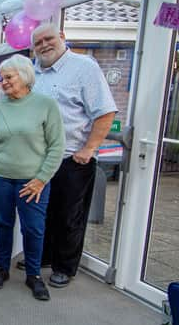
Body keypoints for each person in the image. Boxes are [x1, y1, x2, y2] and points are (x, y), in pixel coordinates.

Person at [20, 23, 118, 289]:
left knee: (68, 217)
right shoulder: (32, 72)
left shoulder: (84, 67)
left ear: (62, 37)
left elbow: (105, 112)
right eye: (38, 42)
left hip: (71, 159)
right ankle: (44, 257)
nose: (44, 45)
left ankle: (65, 267)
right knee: (43, 212)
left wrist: (89, 149)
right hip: (38, 159)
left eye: (48, 39)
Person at [0, 54, 64, 301]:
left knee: (33, 229)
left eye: (9, 77)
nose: (3, 82)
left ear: (24, 76)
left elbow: (57, 146)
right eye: (2, 78)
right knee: (2, 225)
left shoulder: (46, 105)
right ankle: (2, 268)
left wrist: (41, 179)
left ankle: (33, 275)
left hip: (33, 182)